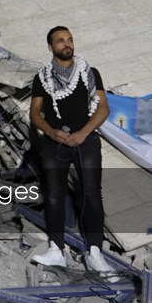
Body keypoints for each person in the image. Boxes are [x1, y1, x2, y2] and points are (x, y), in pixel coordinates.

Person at [29, 27, 112, 273]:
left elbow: (103, 108)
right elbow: (35, 113)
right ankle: (57, 249)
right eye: (61, 41)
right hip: (55, 142)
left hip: (85, 141)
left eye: (70, 39)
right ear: (50, 47)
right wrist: (51, 132)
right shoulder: (42, 78)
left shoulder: (89, 73)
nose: (67, 44)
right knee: (54, 195)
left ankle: (95, 253)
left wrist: (82, 134)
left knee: (91, 194)